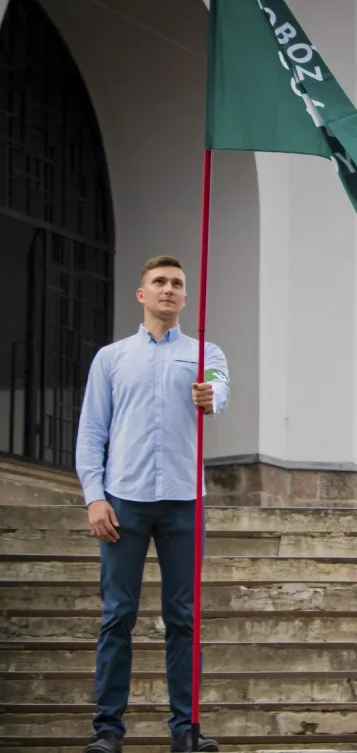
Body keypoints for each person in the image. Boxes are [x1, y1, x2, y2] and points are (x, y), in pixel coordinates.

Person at [75, 256, 230, 753]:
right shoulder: (112, 358)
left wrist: (213, 397)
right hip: (125, 498)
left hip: (185, 500)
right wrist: (94, 497)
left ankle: (186, 731)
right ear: (141, 294)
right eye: (159, 282)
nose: (169, 289)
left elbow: (221, 390)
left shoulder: (205, 353)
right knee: (117, 614)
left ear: (186, 298)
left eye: (177, 284)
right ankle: (108, 731)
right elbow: (91, 432)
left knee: (183, 616)